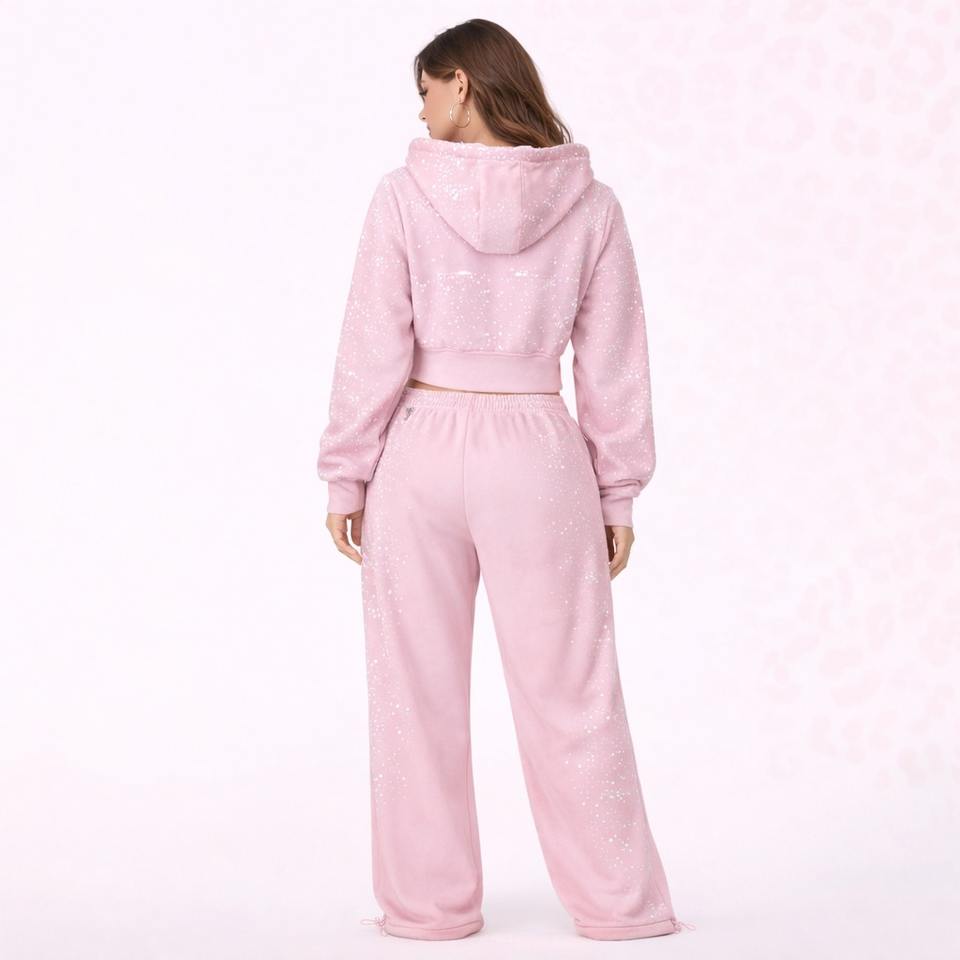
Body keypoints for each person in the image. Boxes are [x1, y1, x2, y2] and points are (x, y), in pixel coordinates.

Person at [316, 18, 693, 943]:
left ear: (462, 83)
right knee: (573, 690)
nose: (420, 111)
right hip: (539, 455)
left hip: (419, 446)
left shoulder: (402, 195)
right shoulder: (591, 205)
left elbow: (372, 343)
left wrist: (346, 473)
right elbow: (614, 361)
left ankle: (429, 907)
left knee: (414, 697)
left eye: (426, 90)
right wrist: (616, 490)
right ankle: (620, 906)